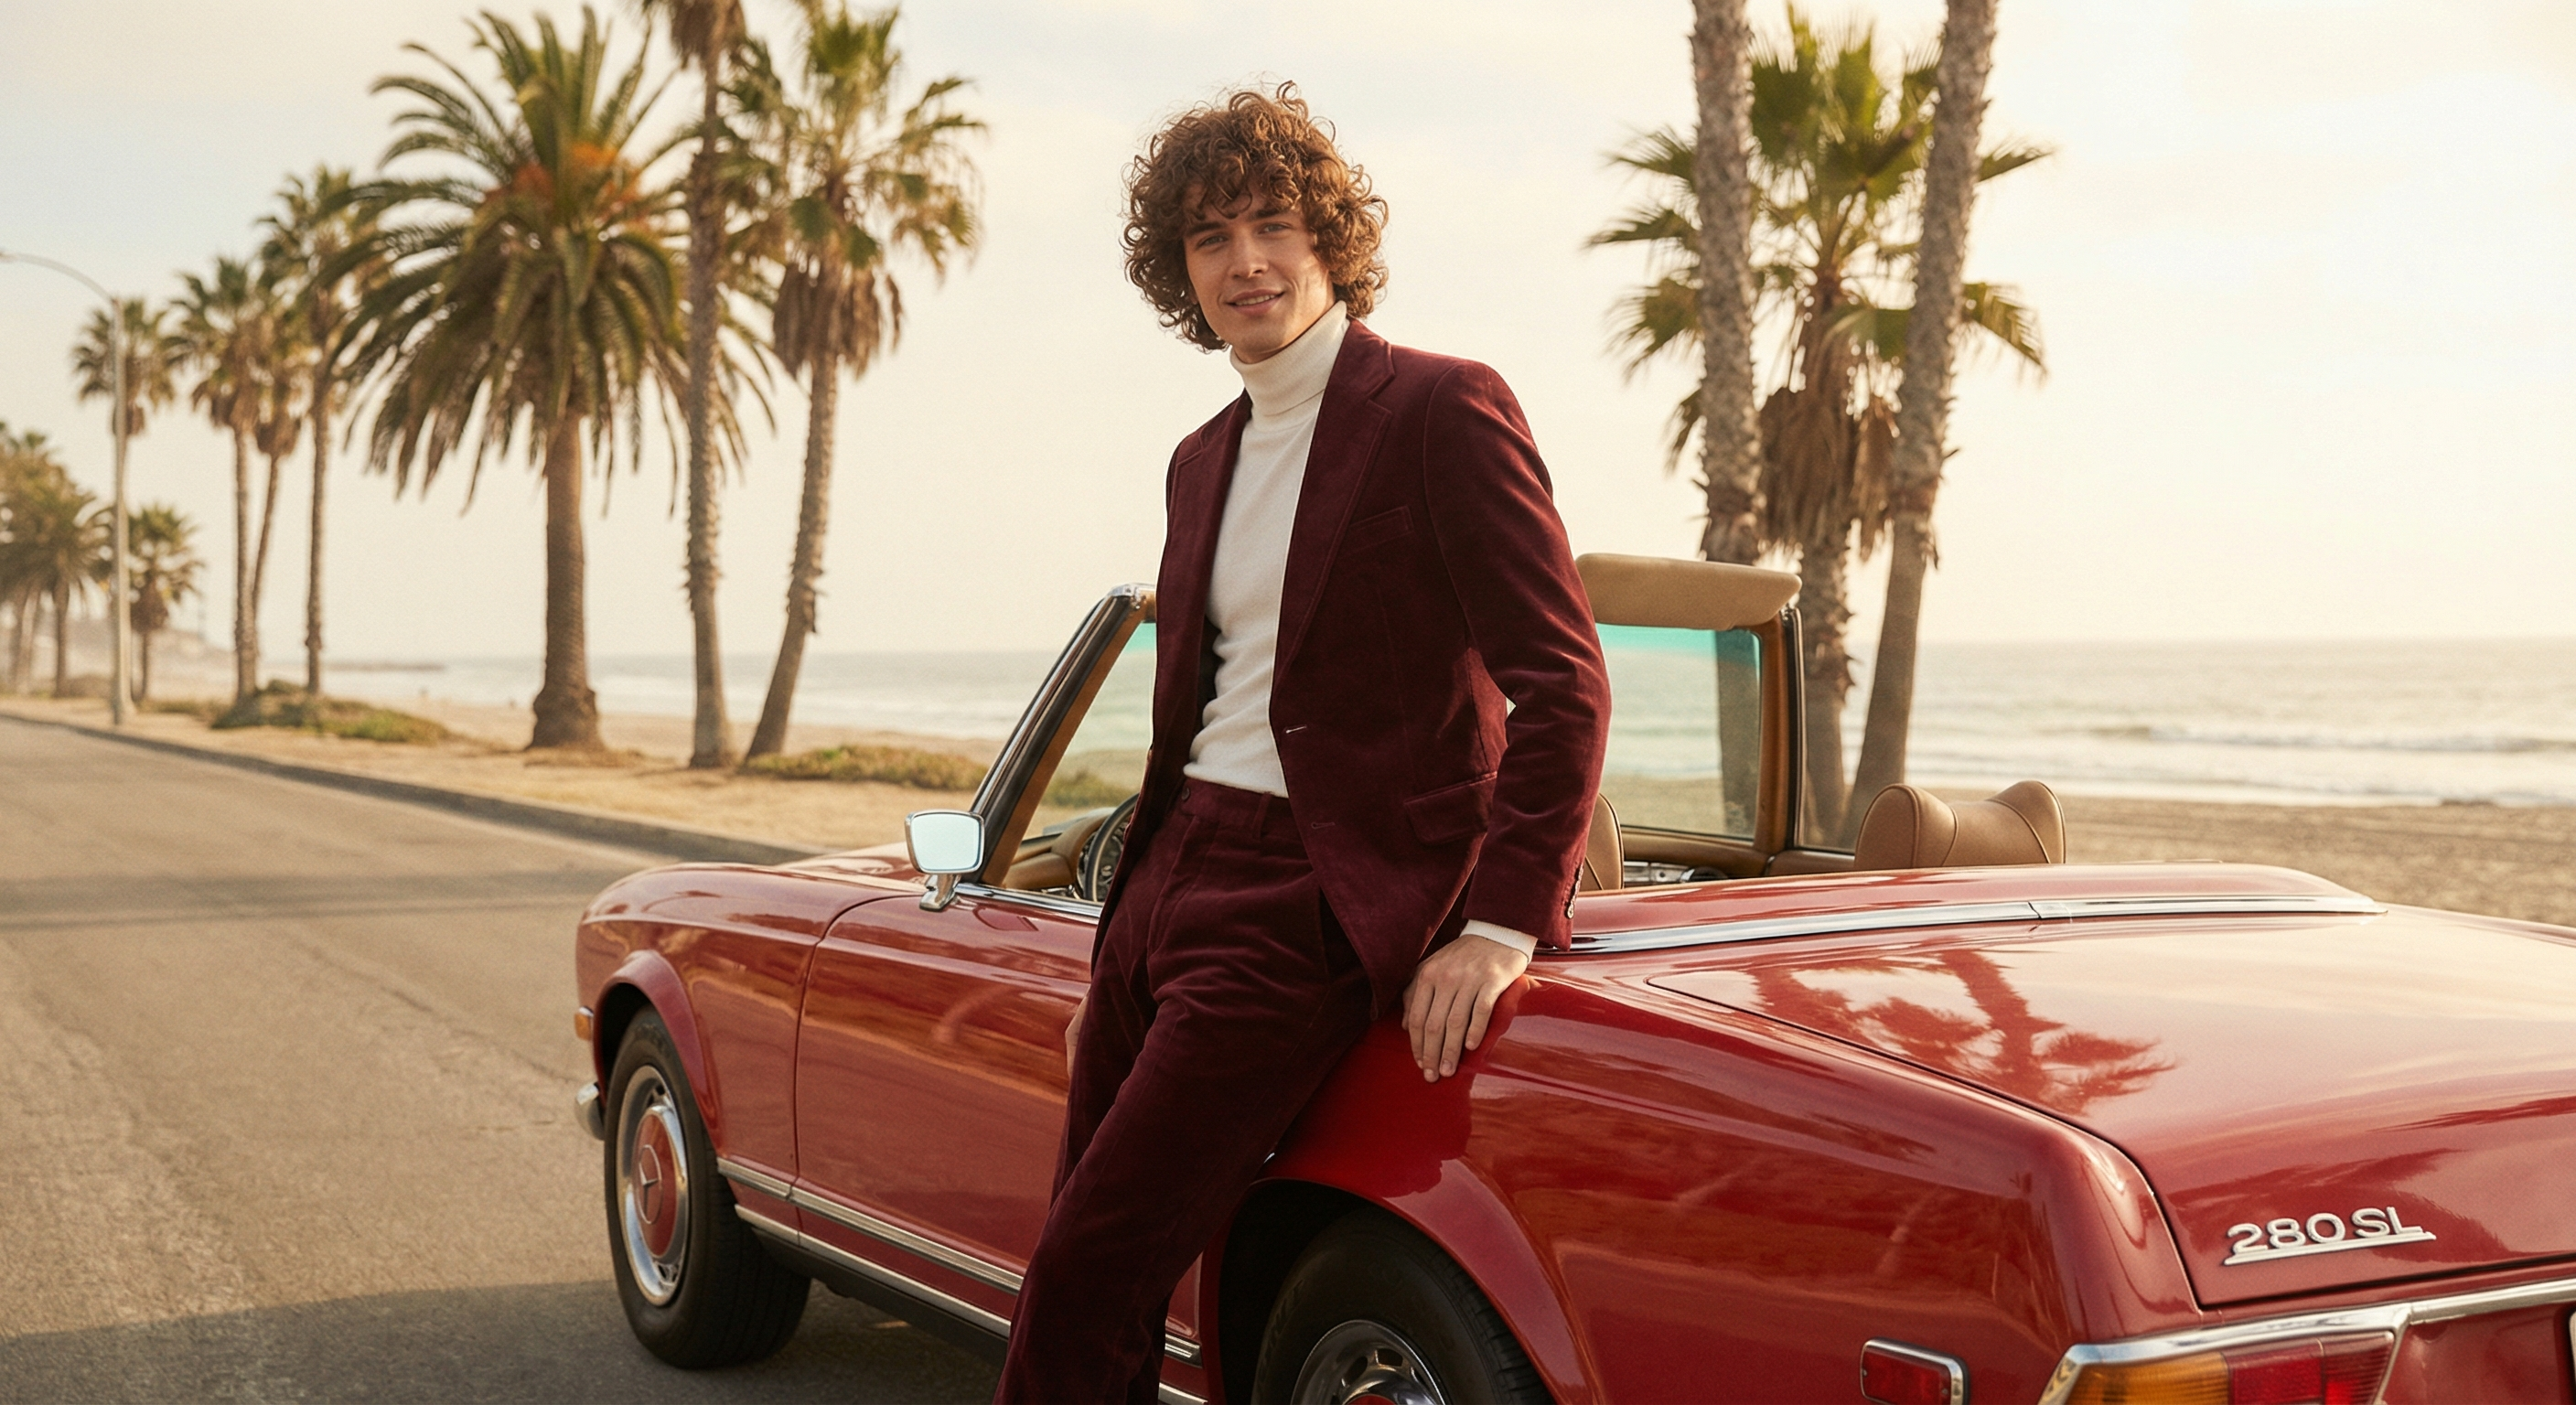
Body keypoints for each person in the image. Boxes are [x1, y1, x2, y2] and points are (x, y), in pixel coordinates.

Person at [993, 84, 1609, 1403]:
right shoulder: (1200, 459)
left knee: (1088, 1274)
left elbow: (1563, 682)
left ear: (1332, 241)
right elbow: (1205, 707)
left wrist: (1499, 927)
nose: (1246, 263)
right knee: (1078, 1256)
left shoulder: (1444, 410)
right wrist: (1126, 931)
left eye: (1274, 225)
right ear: (1183, 274)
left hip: (1308, 905)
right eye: (1211, 241)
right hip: (1168, 883)